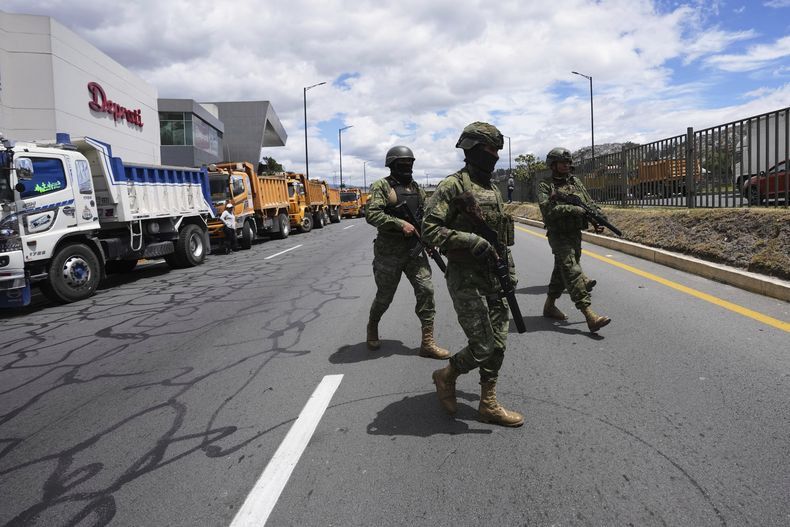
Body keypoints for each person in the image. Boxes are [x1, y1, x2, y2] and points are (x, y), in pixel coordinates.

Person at [423, 122, 523, 427]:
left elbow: (500, 238)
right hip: (466, 279)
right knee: (482, 345)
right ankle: (446, 374)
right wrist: (469, 240)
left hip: (495, 277)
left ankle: (487, 403)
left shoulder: (493, 189)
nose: (494, 155)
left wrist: (510, 272)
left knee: (500, 343)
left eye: (497, 150)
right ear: (472, 150)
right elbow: (430, 230)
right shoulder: (452, 186)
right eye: (489, 150)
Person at [364, 145, 449, 360]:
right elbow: (372, 214)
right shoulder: (382, 186)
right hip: (388, 253)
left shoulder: (417, 189)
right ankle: (373, 325)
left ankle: (427, 343)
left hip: (415, 250)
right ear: (392, 165)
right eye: (402, 164)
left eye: (410, 164)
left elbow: (425, 216)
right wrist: (398, 223)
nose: (407, 168)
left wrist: (430, 240)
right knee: (384, 297)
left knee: (426, 291)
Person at [537, 147, 610, 332]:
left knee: (561, 269)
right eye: (562, 162)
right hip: (558, 235)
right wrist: (573, 209)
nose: (566, 165)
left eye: (568, 162)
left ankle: (549, 306)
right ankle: (589, 314)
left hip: (575, 233)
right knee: (571, 270)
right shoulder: (545, 185)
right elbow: (548, 211)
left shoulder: (575, 181)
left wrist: (597, 217)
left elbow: (588, 203)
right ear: (553, 165)